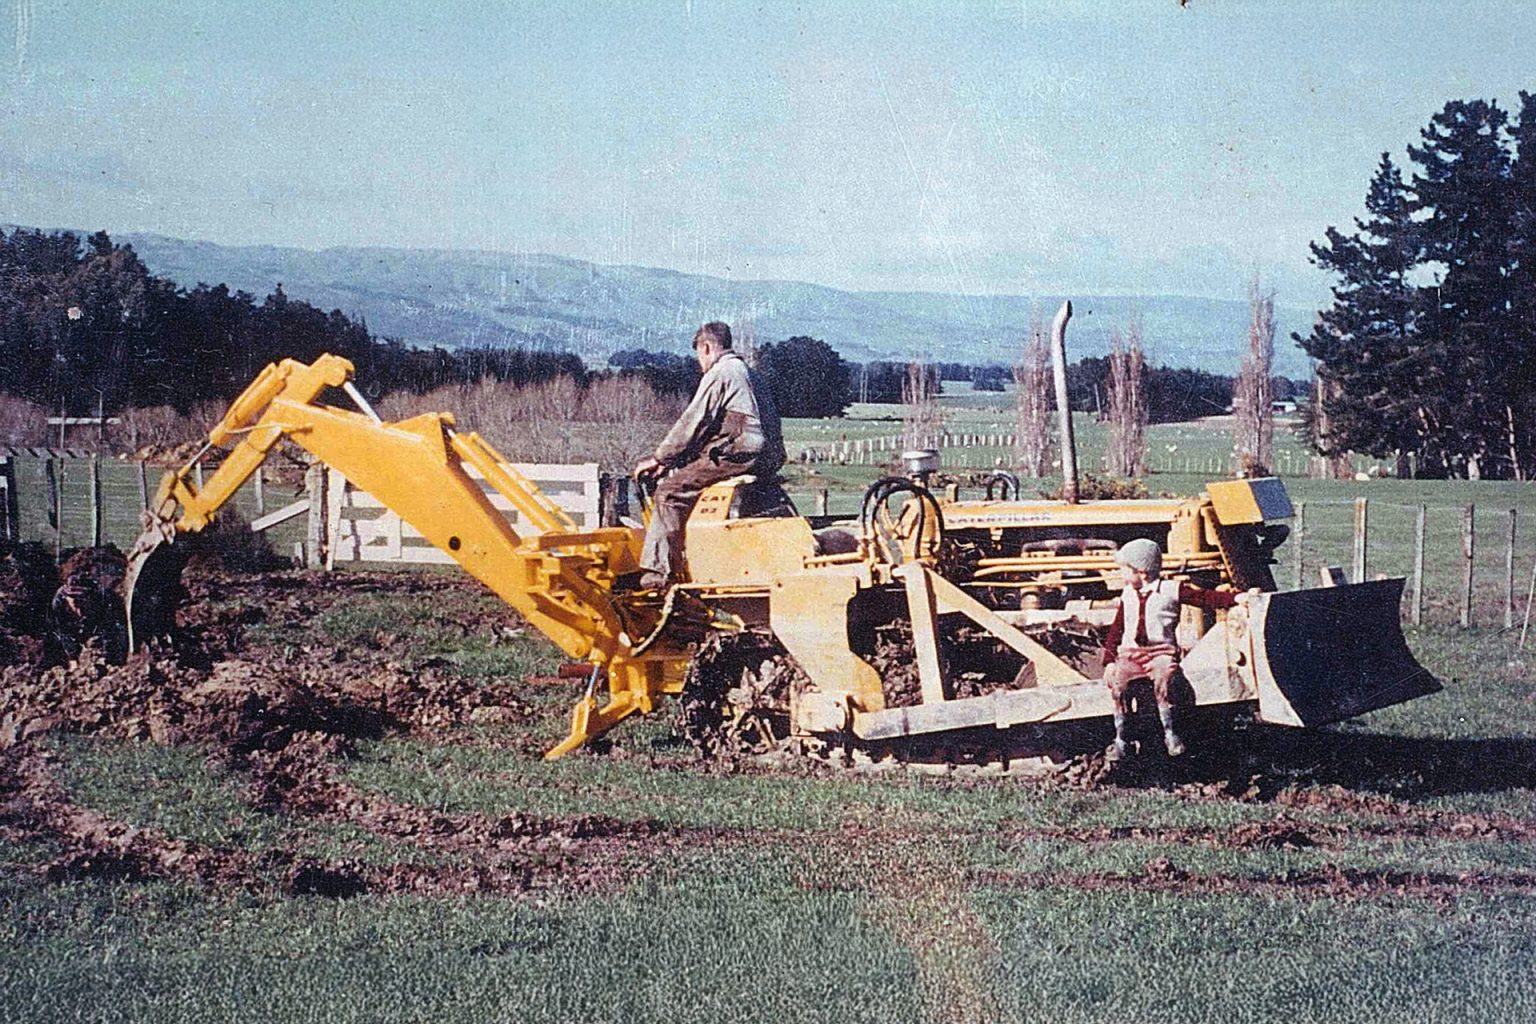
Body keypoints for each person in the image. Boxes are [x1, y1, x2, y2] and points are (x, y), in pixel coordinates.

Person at [632, 322, 786, 589]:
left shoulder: (721, 373)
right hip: (768, 457)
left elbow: (694, 421)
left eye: (699, 357)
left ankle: (658, 574)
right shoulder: (752, 375)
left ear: (706, 347)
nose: (700, 364)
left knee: (670, 492)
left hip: (740, 453)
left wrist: (660, 459)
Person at [1100, 538, 1254, 761]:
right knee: (1119, 683)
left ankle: (1170, 733)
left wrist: (1235, 598)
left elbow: (1204, 598)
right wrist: (1110, 661)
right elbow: (1117, 628)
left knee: (1165, 676)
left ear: (1141, 571)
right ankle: (1121, 739)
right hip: (1131, 654)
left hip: (1160, 653)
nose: (1121, 574)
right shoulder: (1127, 594)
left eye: (1124, 569)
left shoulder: (1171, 590)